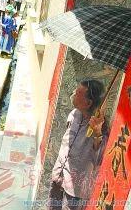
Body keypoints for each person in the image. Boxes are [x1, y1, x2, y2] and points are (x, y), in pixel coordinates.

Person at [48, 79, 109, 210]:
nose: (74, 93)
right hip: (59, 174)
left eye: (78, 92)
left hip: (76, 188)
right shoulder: (74, 113)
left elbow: (99, 160)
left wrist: (97, 132)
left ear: (88, 103)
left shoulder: (100, 127)